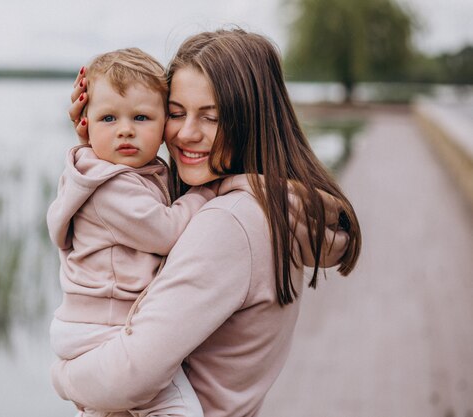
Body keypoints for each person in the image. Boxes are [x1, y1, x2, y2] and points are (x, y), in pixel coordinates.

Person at [53, 29, 361, 417]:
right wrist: (105, 144)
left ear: (251, 120)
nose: (186, 133)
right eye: (176, 113)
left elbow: (128, 378)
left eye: (211, 117)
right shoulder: (273, 206)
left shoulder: (227, 222)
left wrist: (63, 376)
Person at [47, 48, 217, 417]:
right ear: (86, 122)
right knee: (179, 407)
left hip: (91, 323)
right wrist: (209, 192)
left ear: (163, 126)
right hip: (105, 324)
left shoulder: (107, 170)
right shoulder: (111, 187)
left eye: (141, 117)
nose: (125, 129)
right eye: (108, 117)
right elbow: (167, 231)